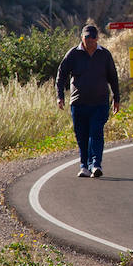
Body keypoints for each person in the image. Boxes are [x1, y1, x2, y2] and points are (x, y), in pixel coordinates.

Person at [55, 23, 121, 178]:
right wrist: (60, 96)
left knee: (96, 132)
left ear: (97, 38)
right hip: (78, 103)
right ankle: (84, 165)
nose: (90, 40)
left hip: (100, 103)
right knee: (82, 135)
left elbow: (113, 77)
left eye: (92, 37)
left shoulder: (104, 54)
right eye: (86, 37)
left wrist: (116, 98)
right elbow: (61, 75)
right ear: (82, 38)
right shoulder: (73, 54)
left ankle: (96, 164)